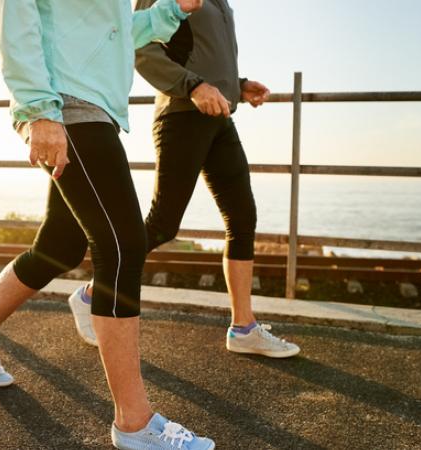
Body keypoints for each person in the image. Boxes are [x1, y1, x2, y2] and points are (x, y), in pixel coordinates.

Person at [0, 0, 215, 449]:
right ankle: (134, 422)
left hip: (93, 108)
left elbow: (111, 33)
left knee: (59, 246)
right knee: (123, 245)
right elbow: (18, 17)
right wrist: (39, 111)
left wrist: (172, 10)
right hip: (65, 106)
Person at [67, 0, 301, 359]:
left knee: (242, 219)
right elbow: (138, 45)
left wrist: (237, 85)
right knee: (163, 224)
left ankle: (244, 328)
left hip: (219, 116)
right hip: (182, 116)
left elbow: (203, 53)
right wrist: (192, 86)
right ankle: (91, 294)